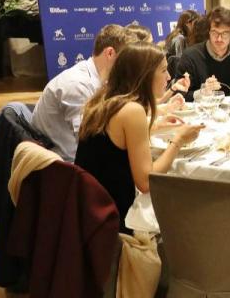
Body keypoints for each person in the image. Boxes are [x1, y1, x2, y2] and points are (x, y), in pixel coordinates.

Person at [75, 42, 204, 233]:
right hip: (110, 219)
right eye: (163, 71)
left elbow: (113, 144)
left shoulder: (104, 99)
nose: (168, 77)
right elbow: (146, 182)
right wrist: (178, 141)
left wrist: (154, 128)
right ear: (145, 76)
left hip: (85, 208)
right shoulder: (132, 111)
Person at [32, 24, 138, 161]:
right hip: (65, 167)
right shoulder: (78, 85)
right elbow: (88, 143)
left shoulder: (97, 80)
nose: (129, 67)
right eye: (127, 59)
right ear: (110, 53)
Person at [175, 7, 230, 100]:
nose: (219, 39)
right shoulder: (190, 56)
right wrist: (202, 93)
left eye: (225, 33)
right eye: (214, 32)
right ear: (208, 32)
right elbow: (179, 94)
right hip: (204, 111)